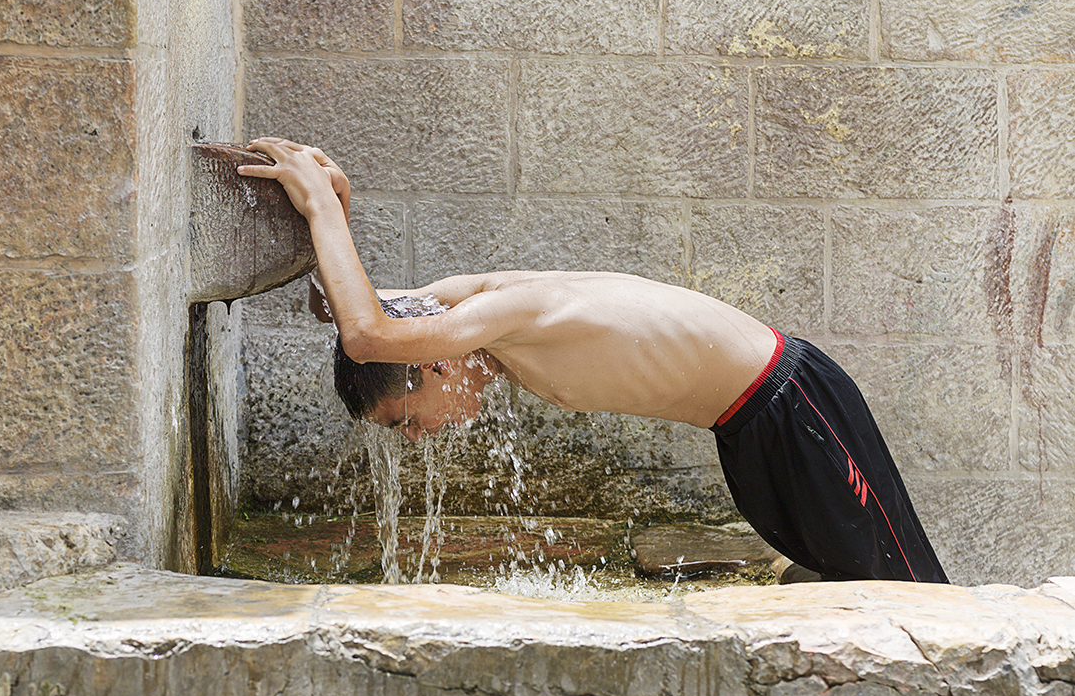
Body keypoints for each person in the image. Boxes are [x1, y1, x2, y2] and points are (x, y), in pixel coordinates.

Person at [238, 137, 949, 584]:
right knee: (835, 581)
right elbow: (333, 303)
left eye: (404, 422)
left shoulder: (491, 315)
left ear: (433, 366)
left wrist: (325, 213)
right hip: (747, 433)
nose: (418, 436)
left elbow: (365, 335)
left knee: (903, 588)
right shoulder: (451, 316)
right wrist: (338, 200)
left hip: (795, 408)